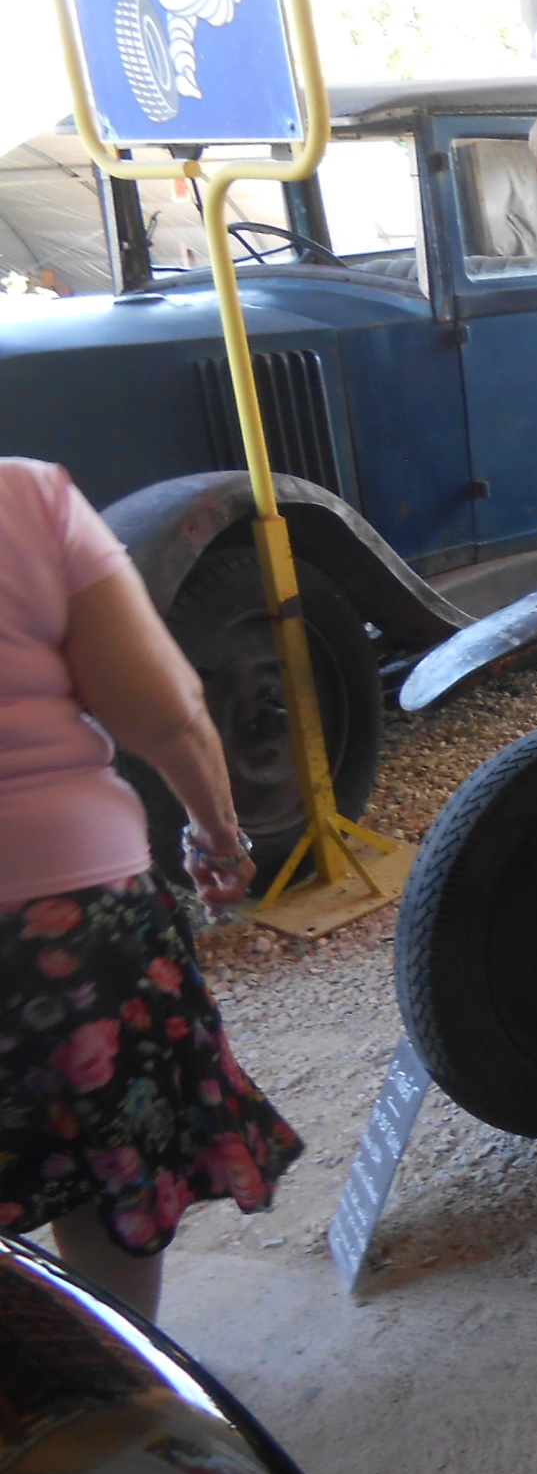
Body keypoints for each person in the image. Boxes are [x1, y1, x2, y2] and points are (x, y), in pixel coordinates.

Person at [0, 458, 302, 1322]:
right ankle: (112, 1398)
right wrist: (218, 838)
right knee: (109, 1187)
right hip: (65, 917)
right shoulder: (28, 499)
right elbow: (164, 713)